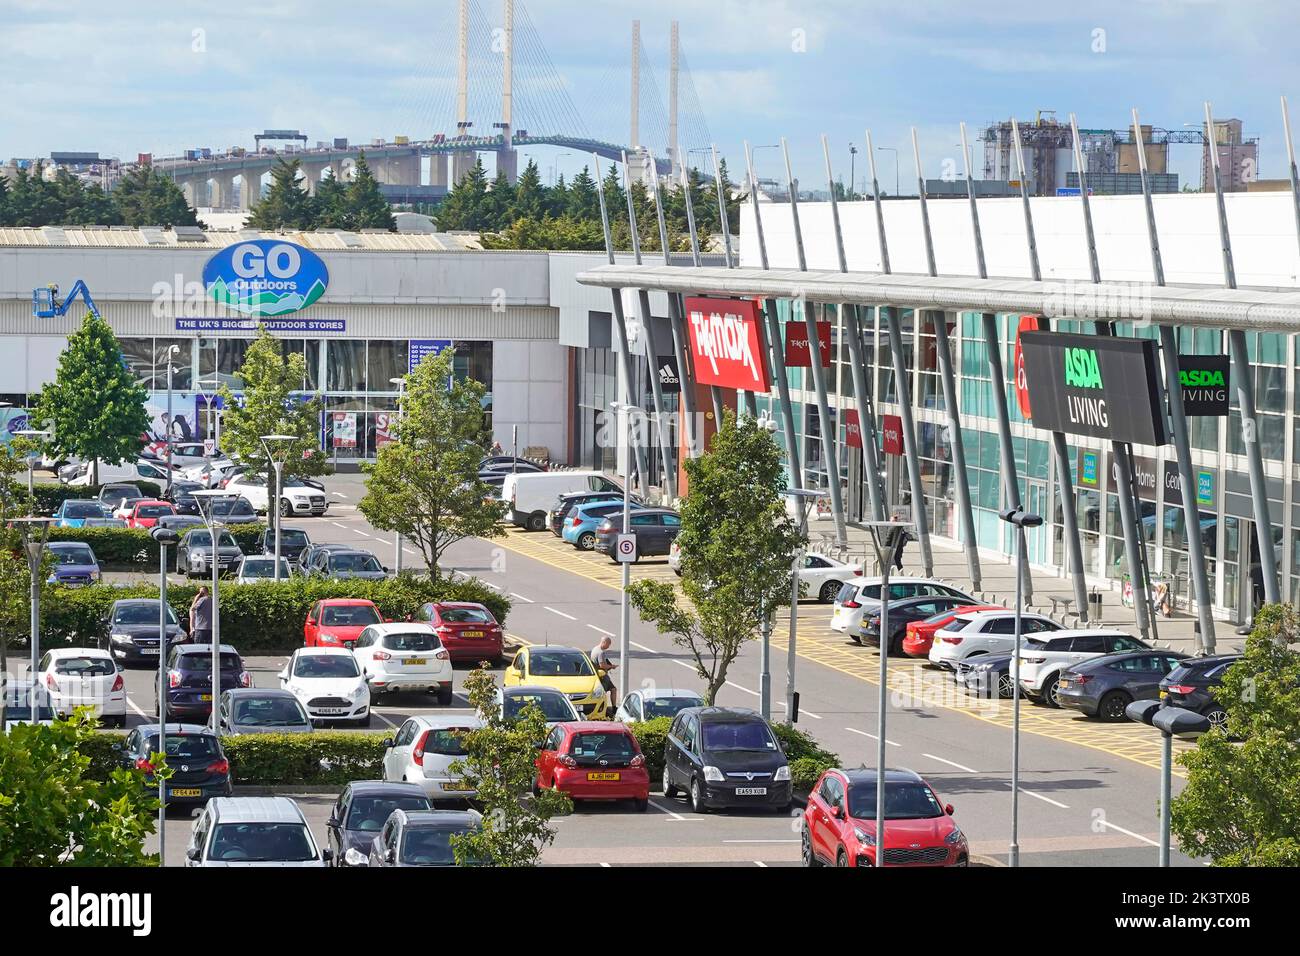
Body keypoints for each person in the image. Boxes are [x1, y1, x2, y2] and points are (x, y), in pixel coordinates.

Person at [590, 637, 618, 711]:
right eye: (608, 644)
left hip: (597, 674)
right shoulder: (600, 652)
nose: (608, 646)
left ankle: (613, 707)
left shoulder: (595, 649)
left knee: (613, 689)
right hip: (602, 675)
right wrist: (612, 666)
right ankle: (607, 709)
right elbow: (602, 665)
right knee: (604, 693)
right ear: (604, 642)